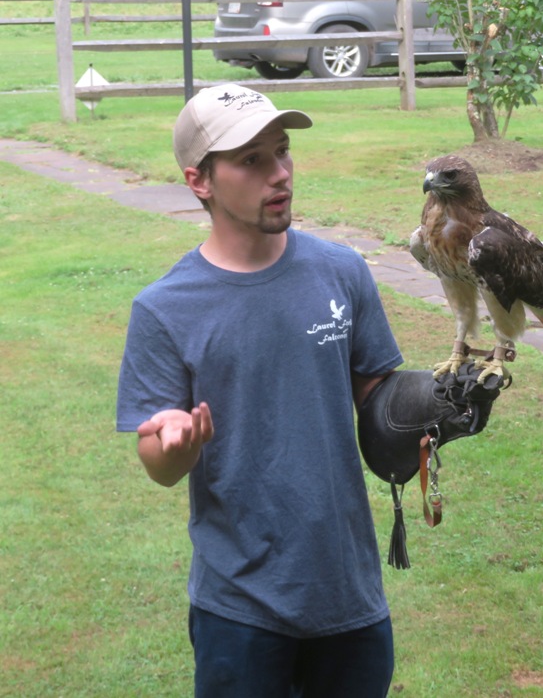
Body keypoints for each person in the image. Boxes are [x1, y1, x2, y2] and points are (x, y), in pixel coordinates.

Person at [116, 83, 404, 697]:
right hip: (239, 607)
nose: (280, 174)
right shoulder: (166, 309)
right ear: (201, 180)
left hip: (348, 593)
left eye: (283, 150)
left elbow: (380, 403)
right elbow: (159, 464)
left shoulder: (342, 271)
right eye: (251, 160)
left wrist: (430, 409)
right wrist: (176, 445)